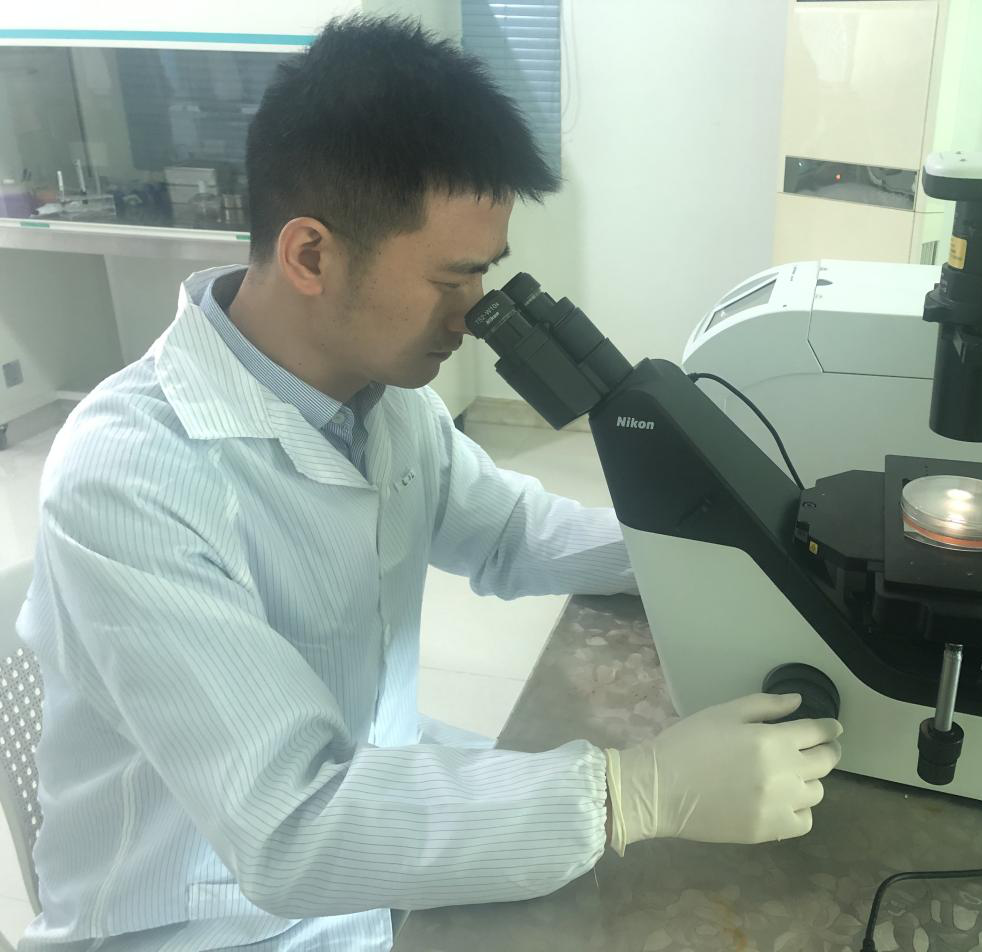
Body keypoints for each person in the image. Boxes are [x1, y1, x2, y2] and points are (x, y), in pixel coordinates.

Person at [17, 16, 843, 951]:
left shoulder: (380, 397)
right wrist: (633, 795)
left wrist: (716, 548)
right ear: (311, 255)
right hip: (201, 923)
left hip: (366, 863)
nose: (473, 316)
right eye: (451, 281)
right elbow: (290, 828)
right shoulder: (128, 481)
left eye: (484, 277)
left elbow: (510, 533)